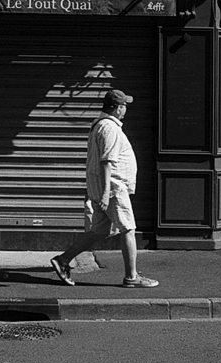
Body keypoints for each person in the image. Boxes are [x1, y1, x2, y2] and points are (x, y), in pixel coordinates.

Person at [50, 89, 159, 288]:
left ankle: (63, 260)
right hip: (113, 188)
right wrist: (106, 194)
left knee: (99, 232)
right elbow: (106, 162)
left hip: (105, 188)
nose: (126, 109)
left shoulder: (100, 126)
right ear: (118, 108)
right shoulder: (110, 128)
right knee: (128, 229)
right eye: (124, 106)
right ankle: (131, 277)